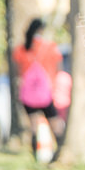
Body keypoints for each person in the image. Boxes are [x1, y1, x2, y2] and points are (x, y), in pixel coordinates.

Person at [12, 19, 65, 159]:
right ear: (41, 30)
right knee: (54, 122)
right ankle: (59, 150)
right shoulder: (50, 47)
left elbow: (19, 73)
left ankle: (35, 155)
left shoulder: (21, 49)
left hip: (28, 95)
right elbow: (59, 69)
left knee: (34, 125)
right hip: (47, 93)